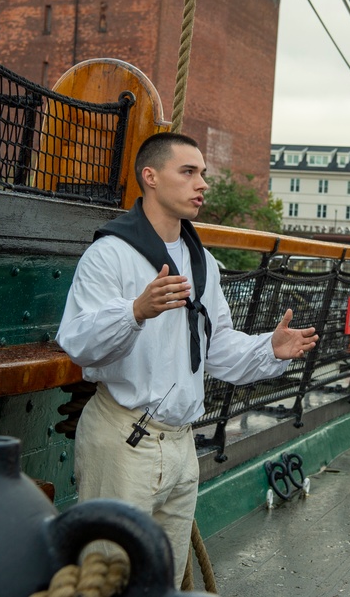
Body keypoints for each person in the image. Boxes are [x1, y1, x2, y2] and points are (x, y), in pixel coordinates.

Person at [57, 132, 318, 587]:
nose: (202, 184)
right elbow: (78, 343)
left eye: (203, 174)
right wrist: (136, 311)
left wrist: (269, 349)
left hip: (181, 447)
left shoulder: (203, 263)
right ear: (151, 177)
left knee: (163, 581)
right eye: (189, 172)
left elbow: (214, 351)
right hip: (124, 443)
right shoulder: (109, 255)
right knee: (111, 581)